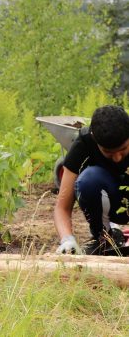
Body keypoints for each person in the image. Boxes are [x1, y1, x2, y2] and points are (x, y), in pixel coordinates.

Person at [55, 105, 129, 255]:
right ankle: (107, 238)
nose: (117, 158)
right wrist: (67, 239)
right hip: (110, 200)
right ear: (95, 139)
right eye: (108, 152)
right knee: (88, 180)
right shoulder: (83, 144)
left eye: (123, 149)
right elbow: (62, 207)